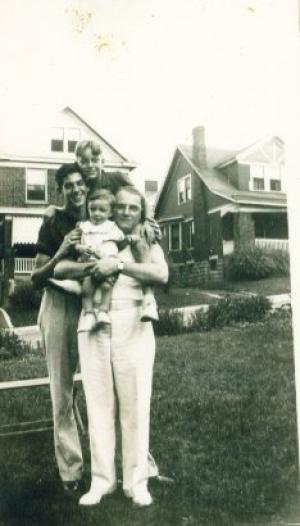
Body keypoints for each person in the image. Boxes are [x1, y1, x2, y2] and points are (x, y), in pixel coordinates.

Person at [54, 186, 169, 507]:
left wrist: (118, 265)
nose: (127, 212)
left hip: (134, 322)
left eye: (134, 207)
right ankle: (102, 481)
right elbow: (61, 267)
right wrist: (93, 266)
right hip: (93, 325)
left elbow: (161, 274)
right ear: (111, 208)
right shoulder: (93, 234)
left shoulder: (147, 238)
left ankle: (137, 482)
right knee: (98, 403)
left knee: (135, 403)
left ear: (141, 211)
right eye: (121, 207)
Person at [31, 164, 91, 493]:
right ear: (60, 191)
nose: (77, 190)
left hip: (95, 305)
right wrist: (62, 249)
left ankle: (117, 465)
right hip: (59, 306)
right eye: (69, 185)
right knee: (63, 390)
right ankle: (71, 471)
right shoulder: (53, 222)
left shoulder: (101, 211)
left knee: (107, 384)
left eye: (81, 183)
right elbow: (36, 277)